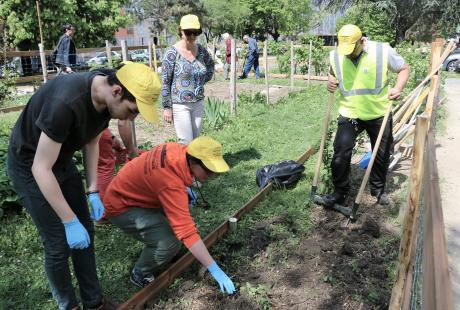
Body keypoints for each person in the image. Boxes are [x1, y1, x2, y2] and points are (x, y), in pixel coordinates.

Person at [7, 62, 161, 310]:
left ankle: (93, 302)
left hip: (61, 159)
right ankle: (68, 306)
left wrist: (93, 190)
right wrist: (68, 220)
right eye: (133, 110)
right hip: (30, 165)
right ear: (118, 91)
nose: (132, 118)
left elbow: (91, 142)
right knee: (58, 243)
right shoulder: (65, 103)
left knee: (86, 233)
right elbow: (40, 168)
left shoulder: (104, 100)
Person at [103, 136, 236, 295]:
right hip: (122, 205)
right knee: (170, 242)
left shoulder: (176, 150)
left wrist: (184, 188)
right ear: (193, 161)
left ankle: (162, 246)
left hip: (130, 191)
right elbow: (186, 231)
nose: (211, 175)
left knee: (177, 217)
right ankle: (139, 273)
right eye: (208, 170)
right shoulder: (171, 184)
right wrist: (214, 269)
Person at [315, 24, 410, 208]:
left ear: (362, 41)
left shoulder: (382, 51)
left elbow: (403, 68)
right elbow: (333, 73)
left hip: (378, 112)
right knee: (341, 152)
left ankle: (378, 190)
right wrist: (330, 81)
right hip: (350, 112)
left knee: (381, 154)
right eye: (345, 50)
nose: (348, 54)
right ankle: (340, 192)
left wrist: (398, 88)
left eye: (352, 49)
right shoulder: (336, 55)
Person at [161, 14, 214, 145]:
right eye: (188, 32)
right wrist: (167, 107)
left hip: (198, 103)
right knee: (185, 141)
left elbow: (210, 66)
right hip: (180, 104)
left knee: (195, 142)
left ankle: (192, 165)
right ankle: (183, 165)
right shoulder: (172, 53)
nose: (192, 36)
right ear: (180, 31)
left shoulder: (201, 51)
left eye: (195, 33)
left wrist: (200, 82)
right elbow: (165, 81)